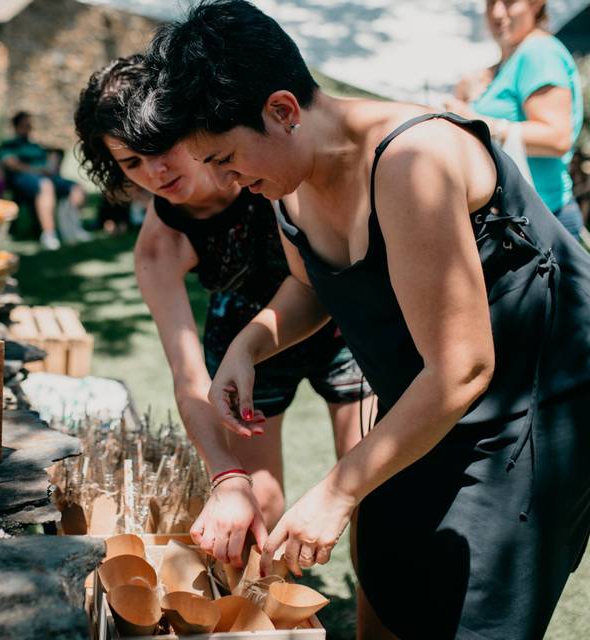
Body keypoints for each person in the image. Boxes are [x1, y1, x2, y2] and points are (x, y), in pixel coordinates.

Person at [127, 2, 590, 638]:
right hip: (417, 407)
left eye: (227, 158)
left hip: (523, 422)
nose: (224, 180)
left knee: (471, 614)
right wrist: (248, 345)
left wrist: (339, 489)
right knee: (391, 579)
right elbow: (308, 284)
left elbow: (464, 366)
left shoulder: (410, 161)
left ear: (283, 111)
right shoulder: (285, 176)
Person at [74, 55, 375, 569]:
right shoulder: (158, 247)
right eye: (130, 163)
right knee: (257, 503)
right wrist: (224, 474)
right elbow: (187, 377)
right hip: (241, 345)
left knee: (371, 498)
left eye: (159, 147)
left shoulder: (276, 167)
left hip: (341, 328)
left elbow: (321, 280)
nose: (155, 172)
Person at [446, 0, 585, 240]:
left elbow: (557, 138)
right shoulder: (513, 58)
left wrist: (476, 121)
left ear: (536, 4)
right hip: (517, 219)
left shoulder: (539, 52)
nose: (498, 12)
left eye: (509, 2)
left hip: (538, 222)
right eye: (491, 3)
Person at [0, 111, 89, 250]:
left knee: (77, 188)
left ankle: (73, 227)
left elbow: (49, 163)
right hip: (24, 180)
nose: (29, 127)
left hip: (48, 177)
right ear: (17, 126)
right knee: (45, 186)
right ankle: (49, 234)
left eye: (29, 124)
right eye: (25, 124)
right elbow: (11, 164)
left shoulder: (35, 146)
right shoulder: (10, 145)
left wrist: (52, 164)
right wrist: (37, 170)